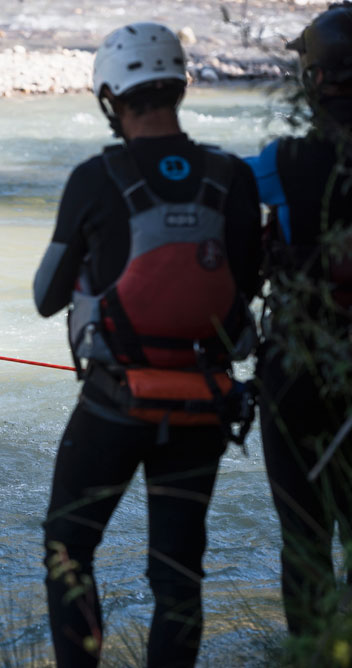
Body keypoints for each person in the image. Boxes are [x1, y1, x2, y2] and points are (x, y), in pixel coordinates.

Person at [32, 22, 262, 666]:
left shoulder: (94, 178)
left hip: (114, 405)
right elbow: (244, 290)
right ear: (179, 87)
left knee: (69, 547)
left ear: (112, 96)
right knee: (178, 572)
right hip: (204, 406)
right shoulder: (231, 177)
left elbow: (47, 295)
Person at [245, 2, 352, 638]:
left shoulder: (277, 164)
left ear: (311, 79)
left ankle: (311, 654)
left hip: (296, 375)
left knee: (305, 538)